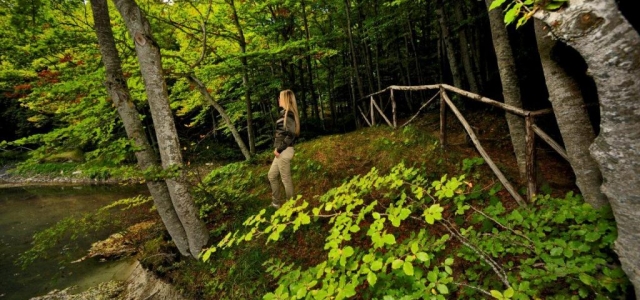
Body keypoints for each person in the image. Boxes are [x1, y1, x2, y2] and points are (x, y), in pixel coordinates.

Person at [268, 89, 301, 208]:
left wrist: (279, 149)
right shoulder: (284, 113)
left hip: (284, 151)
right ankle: (276, 203)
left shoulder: (289, 114)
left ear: (285, 99)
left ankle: (291, 208)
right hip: (281, 151)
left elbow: (291, 135)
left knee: (286, 180)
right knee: (271, 175)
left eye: (280, 97)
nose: (278, 100)